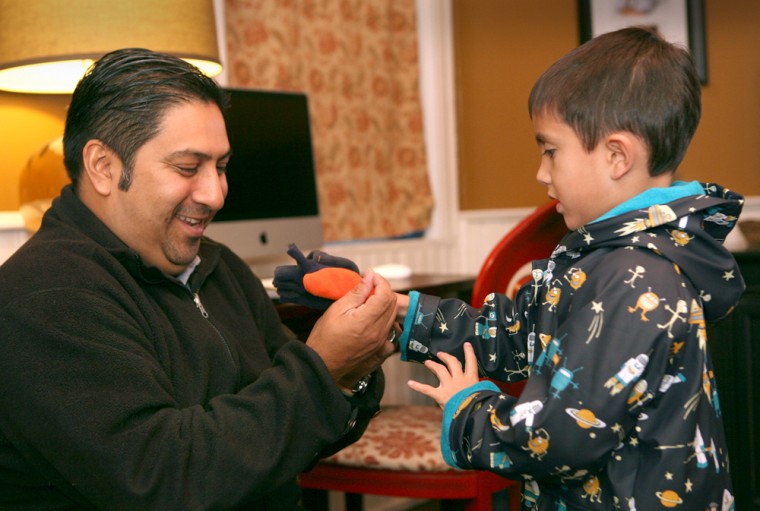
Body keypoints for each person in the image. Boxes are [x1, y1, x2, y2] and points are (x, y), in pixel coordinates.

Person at [275, 27, 744, 510]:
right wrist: (395, 309)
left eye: (550, 150)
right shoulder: (603, 260)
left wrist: (470, 410)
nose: (541, 172)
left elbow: (562, 438)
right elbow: (513, 335)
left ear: (616, 156)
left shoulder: (634, 278)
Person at [0, 48, 397, 510]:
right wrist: (323, 368)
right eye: (188, 168)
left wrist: (353, 368)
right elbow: (162, 479)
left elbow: (294, 431)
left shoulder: (217, 264)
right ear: (104, 167)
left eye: (222, 167)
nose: (216, 194)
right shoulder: (44, 298)